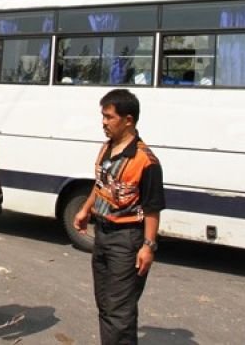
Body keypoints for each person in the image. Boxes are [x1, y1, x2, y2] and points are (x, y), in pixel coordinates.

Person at [73, 89, 166, 345]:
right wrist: (85, 209)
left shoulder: (146, 161)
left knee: (120, 310)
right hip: (102, 234)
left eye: (109, 117)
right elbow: (102, 184)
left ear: (128, 120)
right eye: (102, 116)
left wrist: (148, 246)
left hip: (127, 240)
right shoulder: (107, 148)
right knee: (105, 304)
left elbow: (152, 208)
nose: (103, 122)